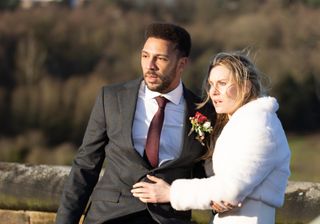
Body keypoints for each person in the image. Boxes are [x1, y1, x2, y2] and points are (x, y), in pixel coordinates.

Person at [55, 22, 214, 224]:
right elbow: (85, 165)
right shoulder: (111, 98)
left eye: (161, 59)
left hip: (168, 219)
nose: (150, 66)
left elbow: (207, 174)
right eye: (145, 56)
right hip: (111, 216)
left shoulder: (203, 111)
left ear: (182, 64)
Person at [131, 51, 291, 224]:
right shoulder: (242, 123)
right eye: (211, 84)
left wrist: (171, 193)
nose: (213, 92)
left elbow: (231, 189)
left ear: (246, 86)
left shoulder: (260, 125)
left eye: (222, 83)